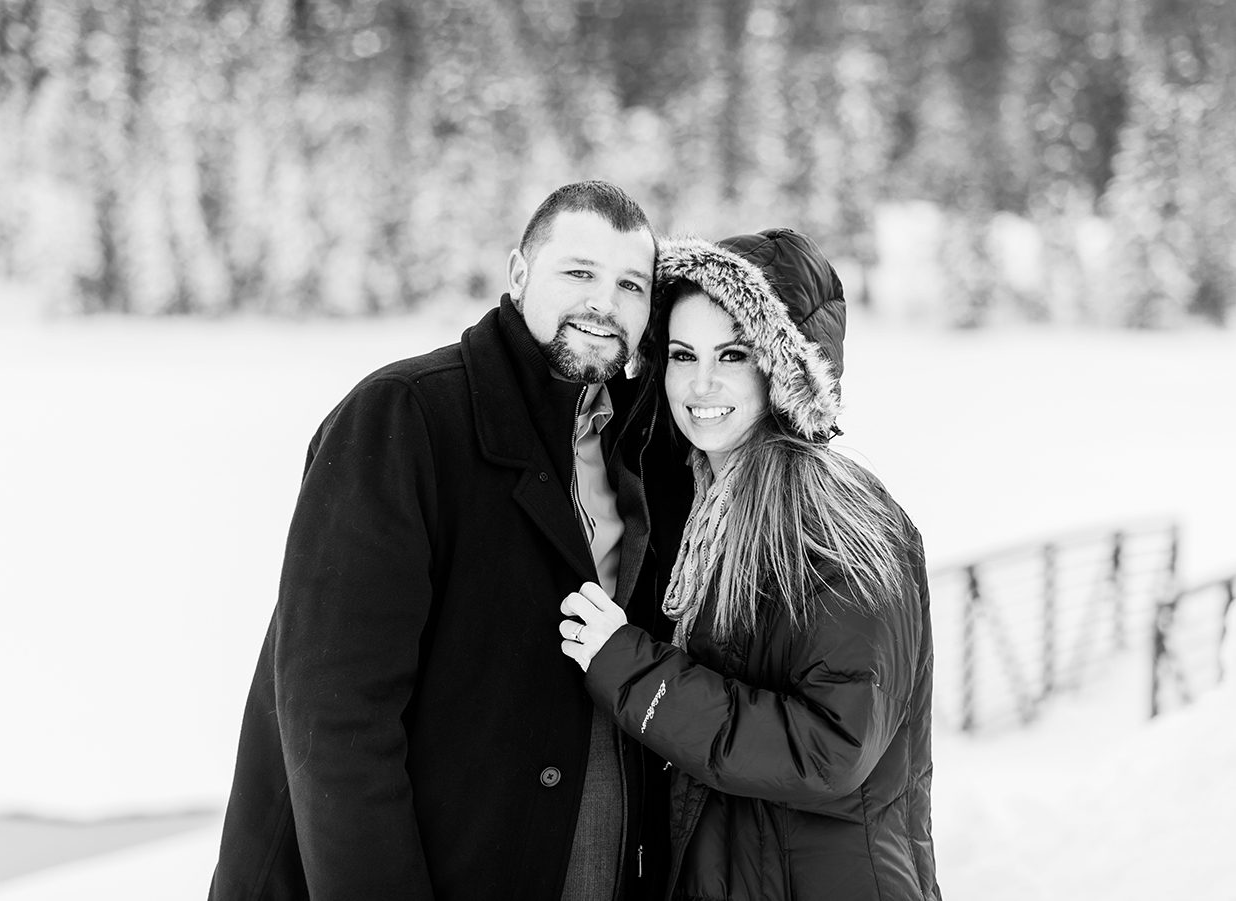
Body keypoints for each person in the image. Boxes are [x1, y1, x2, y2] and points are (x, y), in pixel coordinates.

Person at [209, 181, 691, 900]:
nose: (606, 302)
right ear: (519, 273)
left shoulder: (644, 449)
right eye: (579, 273)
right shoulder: (404, 418)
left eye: (631, 283)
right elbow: (336, 718)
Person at [557, 229, 941, 900]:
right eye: (682, 354)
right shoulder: (712, 495)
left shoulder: (829, 519)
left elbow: (831, 747)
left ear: (783, 367)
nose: (700, 383)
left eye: (732, 354)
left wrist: (630, 668)